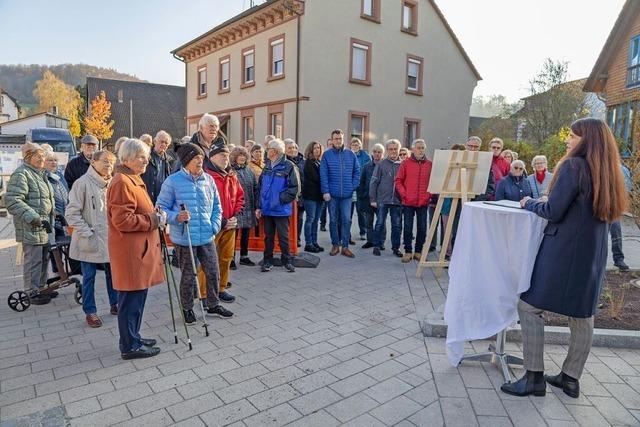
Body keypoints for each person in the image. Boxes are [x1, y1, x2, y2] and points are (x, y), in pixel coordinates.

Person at [501, 118, 628, 399]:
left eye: (572, 136)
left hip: (563, 252)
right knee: (583, 315)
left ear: (587, 140)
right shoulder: (609, 171)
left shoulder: (574, 166)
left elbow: (554, 210)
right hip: (592, 255)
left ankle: (534, 377)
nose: (568, 140)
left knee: (528, 307)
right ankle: (570, 378)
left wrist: (528, 203)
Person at [156, 142, 233, 323]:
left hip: (206, 235)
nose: (200, 161)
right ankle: (187, 308)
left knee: (213, 272)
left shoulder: (208, 180)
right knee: (189, 276)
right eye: (196, 158)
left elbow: (217, 207)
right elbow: (160, 208)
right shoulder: (173, 181)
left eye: (201, 157)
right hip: (185, 237)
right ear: (186, 161)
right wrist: (176, 217)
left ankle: (213, 304)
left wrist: (214, 225)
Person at [107, 139, 163, 359]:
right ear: (127, 158)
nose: (146, 160)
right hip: (131, 253)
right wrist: (152, 219)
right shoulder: (122, 181)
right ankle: (130, 345)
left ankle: (133, 337)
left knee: (136, 300)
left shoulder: (131, 178)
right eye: (141, 156)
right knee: (130, 302)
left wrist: (153, 215)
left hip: (137, 251)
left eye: (147, 156)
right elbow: (123, 220)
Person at [65, 150, 118, 327]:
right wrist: (87, 232)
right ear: (93, 162)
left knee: (113, 274)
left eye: (111, 162)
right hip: (90, 239)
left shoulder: (113, 183)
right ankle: (90, 311)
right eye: (105, 161)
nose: (108, 165)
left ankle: (115, 303)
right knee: (89, 277)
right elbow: (71, 214)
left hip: (111, 239)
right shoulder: (82, 184)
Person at [6, 142, 55, 305]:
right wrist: (33, 217)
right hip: (32, 225)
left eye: (43, 156)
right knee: (33, 260)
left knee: (43, 259)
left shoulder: (40, 174)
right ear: (28, 157)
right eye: (38, 156)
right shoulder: (22, 174)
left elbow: (46, 199)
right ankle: (31, 292)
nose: (42, 159)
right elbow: (12, 200)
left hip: (44, 225)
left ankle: (40, 288)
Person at [206, 141, 244, 303]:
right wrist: (222, 221)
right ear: (212, 157)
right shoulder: (206, 176)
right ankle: (203, 293)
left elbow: (240, 197)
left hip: (230, 224)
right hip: (213, 225)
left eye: (227, 155)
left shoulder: (231, 175)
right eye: (222, 155)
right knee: (207, 261)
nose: (225, 158)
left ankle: (221, 288)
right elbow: (205, 203)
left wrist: (236, 216)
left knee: (226, 257)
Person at [256, 138, 299, 272]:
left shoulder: (288, 166)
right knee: (268, 237)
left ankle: (287, 261)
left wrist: (280, 200)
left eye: (268, 149)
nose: (266, 151)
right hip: (267, 209)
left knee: (283, 237)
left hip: (280, 209)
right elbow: (260, 186)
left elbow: (294, 188)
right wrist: (259, 206)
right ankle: (267, 261)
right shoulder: (267, 165)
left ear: (274, 151)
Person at [320, 129, 360, 257]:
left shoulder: (350, 154)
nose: (338, 141)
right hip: (332, 195)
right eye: (336, 138)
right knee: (333, 220)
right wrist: (325, 191)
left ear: (343, 139)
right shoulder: (327, 155)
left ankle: (345, 247)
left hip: (347, 195)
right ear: (332, 140)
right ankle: (335, 245)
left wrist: (352, 186)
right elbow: (323, 174)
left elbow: (357, 171)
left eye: (340, 138)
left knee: (346, 220)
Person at [396, 139, 432, 263]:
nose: (421, 150)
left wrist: (429, 195)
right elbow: (398, 181)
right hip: (408, 202)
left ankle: (418, 251)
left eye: (422, 147)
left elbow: (433, 182)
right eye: (418, 147)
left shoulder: (429, 164)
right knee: (407, 227)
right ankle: (408, 251)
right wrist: (404, 194)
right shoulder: (405, 163)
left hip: (423, 201)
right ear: (413, 149)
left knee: (422, 227)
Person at [370, 139, 403, 257]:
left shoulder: (402, 164)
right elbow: (373, 182)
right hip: (382, 200)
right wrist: (373, 199)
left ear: (399, 150)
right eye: (390, 149)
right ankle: (377, 246)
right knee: (379, 223)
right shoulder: (381, 164)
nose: (393, 151)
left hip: (397, 200)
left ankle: (396, 248)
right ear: (387, 150)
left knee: (396, 225)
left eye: (395, 149)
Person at [231, 146, 259, 266]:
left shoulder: (249, 171)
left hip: (249, 206)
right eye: (239, 155)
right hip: (236, 208)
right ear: (234, 157)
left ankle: (244, 256)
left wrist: (257, 205)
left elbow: (255, 188)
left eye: (244, 155)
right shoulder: (231, 171)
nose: (242, 158)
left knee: (246, 233)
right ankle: (231, 258)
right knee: (233, 234)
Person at [358, 143, 385, 250]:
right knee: (368, 221)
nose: (377, 154)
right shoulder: (366, 166)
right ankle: (370, 241)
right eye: (375, 151)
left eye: (379, 152)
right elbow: (362, 182)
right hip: (368, 199)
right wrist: (362, 195)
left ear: (383, 154)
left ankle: (380, 242)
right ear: (372, 153)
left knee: (381, 222)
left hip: (381, 200)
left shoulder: (385, 166)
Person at [141, 130, 175, 204]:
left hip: (163, 200)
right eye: (161, 141)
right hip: (147, 198)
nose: (163, 144)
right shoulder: (146, 157)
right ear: (155, 141)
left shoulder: (170, 161)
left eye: (166, 143)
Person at [610, 162, 633, 271]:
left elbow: (627, 189)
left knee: (616, 231)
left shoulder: (622, 170)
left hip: (613, 207)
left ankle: (618, 259)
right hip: (599, 206)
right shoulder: (597, 166)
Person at [302, 141, 324, 253]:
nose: (317, 150)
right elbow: (317, 178)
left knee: (316, 220)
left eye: (318, 148)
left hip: (319, 197)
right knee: (310, 219)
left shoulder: (319, 162)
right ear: (310, 150)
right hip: (310, 196)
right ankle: (308, 243)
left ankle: (315, 242)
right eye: (315, 148)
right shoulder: (308, 163)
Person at [43, 148, 69, 242]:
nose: (53, 162)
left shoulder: (59, 175)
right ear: (44, 162)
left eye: (55, 160)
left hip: (63, 217)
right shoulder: (44, 177)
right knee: (52, 249)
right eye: (50, 160)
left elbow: (66, 192)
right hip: (52, 218)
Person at [350, 138, 371, 240]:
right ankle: (347, 233)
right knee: (348, 212)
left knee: (360, 211)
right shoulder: (348, 155)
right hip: (349, 187)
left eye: (357, 144)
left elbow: (366, 170)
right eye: (353, 145)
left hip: (360, 187)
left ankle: (363, 231)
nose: (355, 146)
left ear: (360, 146)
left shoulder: (365, 156)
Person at [285, 139, 304, 247]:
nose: (293, 150)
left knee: (299, 219)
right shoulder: (283, 161)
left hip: (300, 195)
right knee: (288, 220)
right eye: (290, 148)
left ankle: (297, 238)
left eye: (294, 147)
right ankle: (288, 240)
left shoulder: (302, 161)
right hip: (289, 196)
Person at [466, 136, 496, 201]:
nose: (473, 149)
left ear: (479, 147)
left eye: (476, 147)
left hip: (477, 199)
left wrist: (480, 199)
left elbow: (490, 183)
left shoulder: (485, 162)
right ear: (466, 146)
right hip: (457, 199)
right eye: (470, 146)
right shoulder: (459, 159)